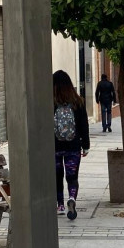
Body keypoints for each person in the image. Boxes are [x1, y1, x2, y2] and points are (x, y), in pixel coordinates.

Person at [53, 70, 90, 216]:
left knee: (57, 176)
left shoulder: (50, 101)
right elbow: (84, 125)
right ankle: (72, 198)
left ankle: (60, 205)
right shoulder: (78, 102)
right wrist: (85, 145)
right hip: (73, 147)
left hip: (54, 147)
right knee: (72, 176)